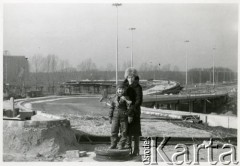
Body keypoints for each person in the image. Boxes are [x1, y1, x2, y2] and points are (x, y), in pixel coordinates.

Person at [123, 67, 143, 156]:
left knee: (135, 131)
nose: (130, 79)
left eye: (132, 77)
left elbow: (139, 101)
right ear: (126, 77)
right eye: (128, 77)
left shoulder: (138, 87)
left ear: (135, 77)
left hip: (135, 111)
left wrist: (132, 109)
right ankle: (128, 148)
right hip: (126, 111)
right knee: (127, 130)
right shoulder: (125, 86)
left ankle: (136, 149)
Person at [109, 84, 133, 150]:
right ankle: (113, 144)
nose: (120, 91)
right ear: (117, 90)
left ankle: (121, 145)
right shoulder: (113, 98)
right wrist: (110, 117)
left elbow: (130, 108)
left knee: (124, 132)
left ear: (124, 90)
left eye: (122, 89)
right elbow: (111, 108)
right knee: (113, 131)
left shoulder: (127, 98)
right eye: (119, 89)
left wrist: (130, 116)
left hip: (124, 117)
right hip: (115, 117)